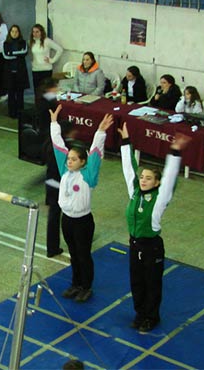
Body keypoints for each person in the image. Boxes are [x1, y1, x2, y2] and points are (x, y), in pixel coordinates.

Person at [118, 122, 190, 332]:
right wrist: (125, 141)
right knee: (137, 282)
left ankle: (152, 316)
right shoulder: (134, 194)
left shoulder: (160, 199)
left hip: (152, 247)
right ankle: (140, 313)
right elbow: (127, 167)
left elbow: (169, 179)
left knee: (152, 284)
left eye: (149, 178)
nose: (143, 180)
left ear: (156, 183)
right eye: (142, 177)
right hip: (134, 245)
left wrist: (175, 152)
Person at [50, 105, 114, 302]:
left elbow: (96, 152)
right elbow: (58, 145)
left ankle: (86, 286)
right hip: (67, 220)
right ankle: (75, 283)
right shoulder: (65, 171)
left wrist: (100, 131)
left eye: (74, 159)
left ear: (83, 162)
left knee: (83, 254)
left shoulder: (89, 176)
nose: (69, 161)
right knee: (73, 254)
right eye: (68, 158)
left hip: (83, 222)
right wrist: (54, 124)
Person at [43, 119, 76, 258]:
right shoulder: (67, 149)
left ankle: (52, 247)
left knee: (53, 216)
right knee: (70, 215)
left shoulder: (48, 144)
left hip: (50, 182)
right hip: (61, 186)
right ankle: (74, 242)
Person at [2, 24, 29, 118]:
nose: (14, 33)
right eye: (12, 31)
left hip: (20, 73)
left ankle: (20, 113)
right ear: (10, 33)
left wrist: (12, 53)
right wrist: (17, 55)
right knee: (11, 94)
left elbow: (24, 52)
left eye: (16, 31)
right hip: (10, 73)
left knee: (20, 94)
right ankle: (12, 113)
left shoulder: (23, 42)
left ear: (19, 33)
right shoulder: (6, 43)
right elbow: (6, 56)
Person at [29, 24, 63, 94]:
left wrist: (52, 60)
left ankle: (48, 105)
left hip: (46, 70)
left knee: (47, 92)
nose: (35, 34)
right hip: (35, 70)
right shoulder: (32, 42)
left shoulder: (47, 41)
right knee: (37, 92)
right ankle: (38, 105)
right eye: (33, 32)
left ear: (41, 32)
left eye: (37, 31)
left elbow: (60, 49)